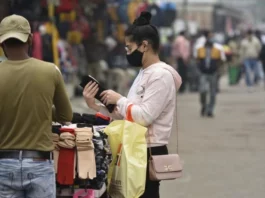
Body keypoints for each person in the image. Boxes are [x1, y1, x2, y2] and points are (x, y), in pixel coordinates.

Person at [83, 12, 182, 198]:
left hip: (148, 149)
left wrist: (119, 99)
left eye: (129, 49)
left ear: (144, 45)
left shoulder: (160, 76)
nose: (128, 53)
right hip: (134, 146)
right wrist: (96, 105)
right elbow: (127, 116)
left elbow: (143, 117)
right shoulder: (145, 73)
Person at [0, 15, 72, 198]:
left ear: (2, 43)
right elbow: (66, 115)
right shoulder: (50, 71)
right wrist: (42, 108)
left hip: (3, 165)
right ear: (31, 39)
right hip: (40, 163)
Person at [195, 35, 224, 117]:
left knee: (212, 93)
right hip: (203, 73)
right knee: (202, 90)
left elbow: (220, 61)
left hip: (213, 73)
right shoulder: (200, 50)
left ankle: (210, 110)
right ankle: (204, 105)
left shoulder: (217, 51)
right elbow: (197, 60)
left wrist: (217, 70)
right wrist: (199, 70)